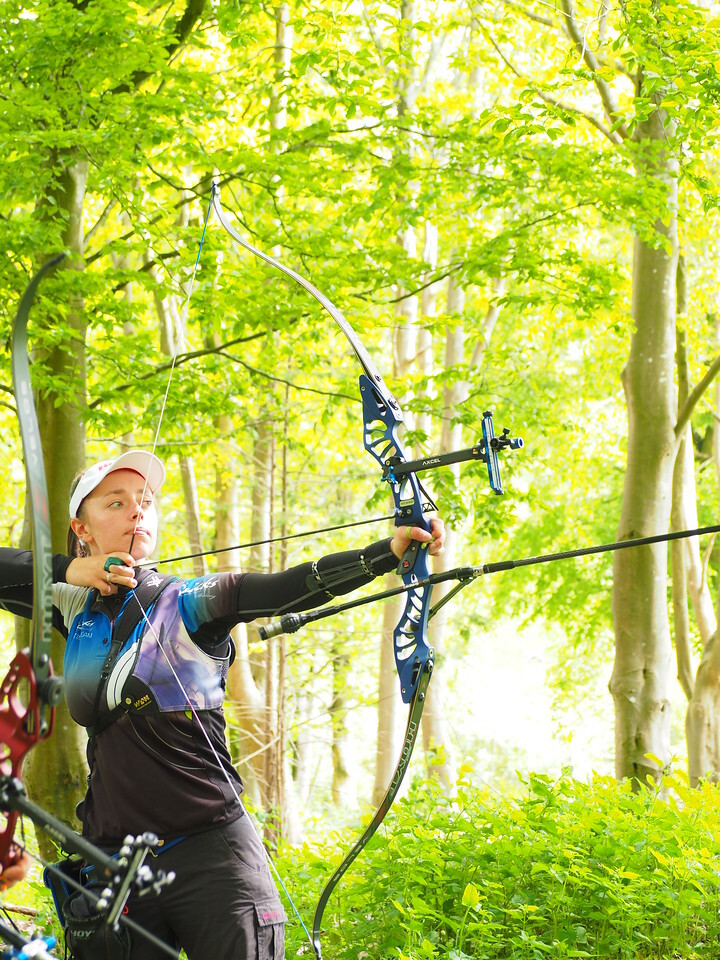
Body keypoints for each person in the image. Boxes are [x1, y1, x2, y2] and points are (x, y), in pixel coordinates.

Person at [0, 450, 445, 960]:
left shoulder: (189, 600)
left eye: (146, 502)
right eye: (116, 503)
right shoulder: (73, 606)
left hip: (211, 854)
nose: (137, 511)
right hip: (113, 862)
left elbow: (283, 588)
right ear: (82, 527)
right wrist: (69, 569)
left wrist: (387, 551)